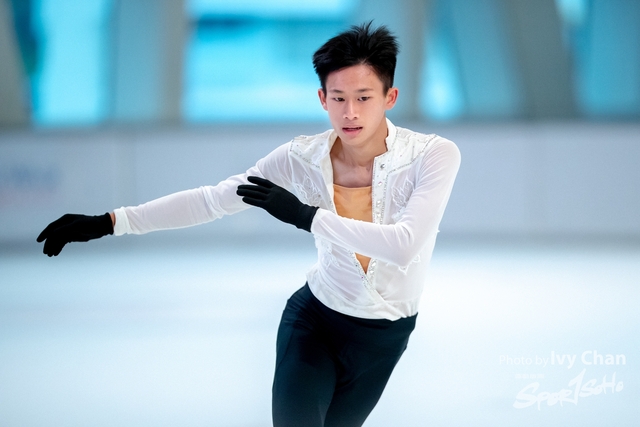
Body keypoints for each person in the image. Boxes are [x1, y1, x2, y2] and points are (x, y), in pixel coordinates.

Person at [37, 22, 460, 427]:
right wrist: (112, 222)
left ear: (390, 97)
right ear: (322, 99)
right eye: (338, 98)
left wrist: (306, 216)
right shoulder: (300, 158)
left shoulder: (432, 156)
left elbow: (404, 246)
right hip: (316, 323)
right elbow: (213, 200)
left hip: (385, 338)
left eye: (363, 98)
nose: (349, 112)